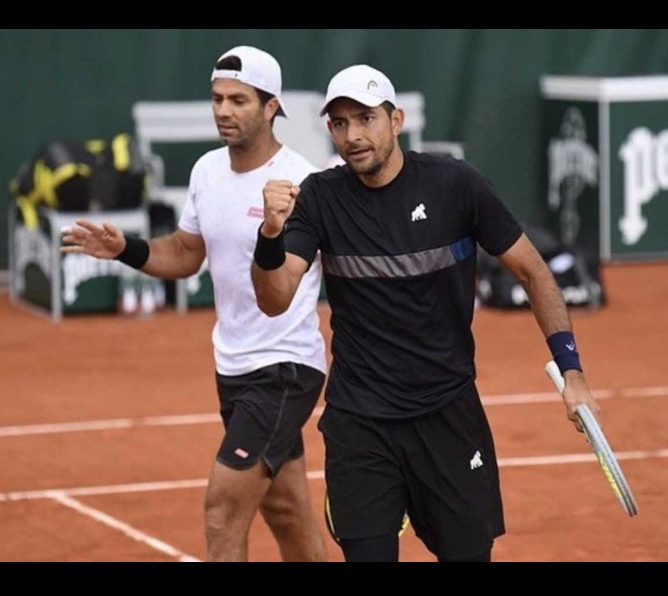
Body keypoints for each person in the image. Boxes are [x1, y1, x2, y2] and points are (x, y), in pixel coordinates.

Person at [250, 64, 601, 563]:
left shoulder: (455, 185)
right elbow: (274, 298)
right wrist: (269, 235)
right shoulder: (319, 199)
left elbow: (533, 272)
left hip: (447, 415)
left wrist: (573, 373)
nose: (353, 136)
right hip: (360, 423)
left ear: (396, 120)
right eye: (340, 123)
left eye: (366, 119)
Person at [61, 46, 328, 563]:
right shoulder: (207, 171)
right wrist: (126, 249)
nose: (223, 110)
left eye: (238, 100)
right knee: (288, 512)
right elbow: (186, 252)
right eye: (217, 99)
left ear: (271, 106)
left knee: (222, 511)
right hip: (233, 367)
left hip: (285, 368)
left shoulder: (303, 181)